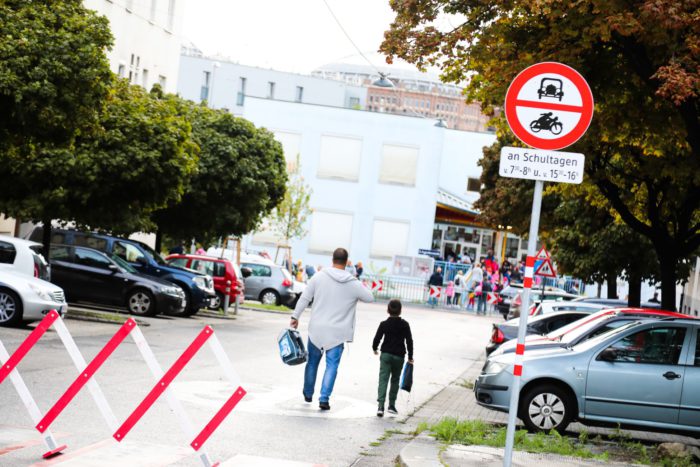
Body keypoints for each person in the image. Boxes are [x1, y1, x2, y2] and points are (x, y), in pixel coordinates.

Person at [290, 248, 374, 410]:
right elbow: (370, 297)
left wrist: (295, 317)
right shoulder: (352, 283)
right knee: (332, 366)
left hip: (317, 329)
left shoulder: (319, 276)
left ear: (332, 259)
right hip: (338, 333)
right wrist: (357, 281)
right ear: (346, 261)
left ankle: (308, 394)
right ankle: (324, 399)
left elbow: (305, 298)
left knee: (312, 362)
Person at [372, 299, 413, 417]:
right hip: (399, 356)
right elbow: (409, 341)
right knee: (395, 380)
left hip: (386, 355)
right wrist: (410, 356)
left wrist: (374, 348)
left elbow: (377, 338)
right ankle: (391, 405)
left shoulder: (384, 324)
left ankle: (380, 407)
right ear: (400, 311)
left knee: (383, 379)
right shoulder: (405, 324)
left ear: (388, 310)